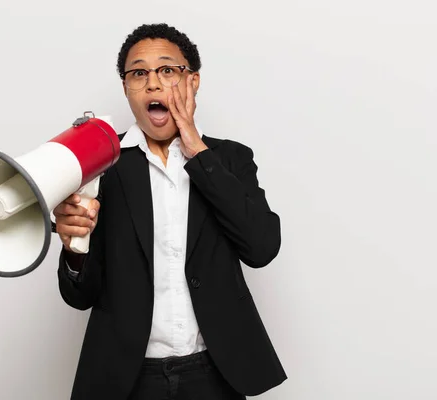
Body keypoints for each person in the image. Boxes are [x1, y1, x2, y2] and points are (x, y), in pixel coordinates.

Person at [53, 23, 287, 400]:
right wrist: (73, 250)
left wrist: (198, 152)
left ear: (192, 81)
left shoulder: (229, 158)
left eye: (167, 70)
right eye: (138, 73)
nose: (152, 83)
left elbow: (262, 248)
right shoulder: (99, 167)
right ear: (126, 88)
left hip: (216, 373)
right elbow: (81, 296)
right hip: (127, 378)